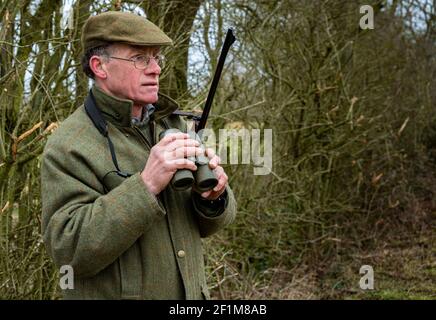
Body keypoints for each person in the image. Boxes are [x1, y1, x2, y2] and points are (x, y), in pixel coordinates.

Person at [41, 11, 237, 300]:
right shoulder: (69, 145)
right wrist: (145, 185)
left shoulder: (174, 125)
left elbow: (212, 225)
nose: (155, 68)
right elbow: (68, 250)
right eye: (140, 58)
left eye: (157, 58)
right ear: (100, 66)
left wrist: (213, 198)